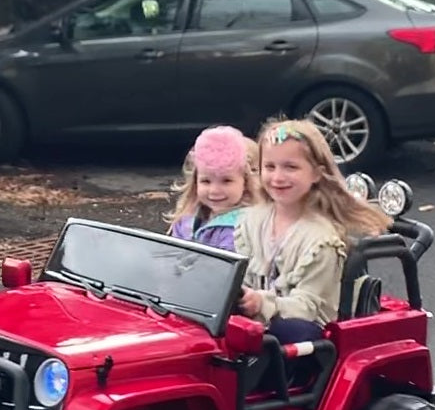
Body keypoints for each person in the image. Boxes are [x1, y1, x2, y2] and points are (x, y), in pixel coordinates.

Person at [235, 118, 387, 343]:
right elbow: (243, 278)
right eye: (270, 167)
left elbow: (307, 306)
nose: (277, 177)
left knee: (285, 333)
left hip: (307, 335)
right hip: (257, 322)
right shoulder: (251, 220)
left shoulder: (321, 240)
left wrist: (261, 303)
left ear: (316, 174)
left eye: (291, 167)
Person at [165, 125, 261, 252]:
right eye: (206, 181)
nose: (214, 190)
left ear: (245, 182)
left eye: (226, 181)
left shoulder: (242, 228)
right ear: (195, 182)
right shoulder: (188, 217)